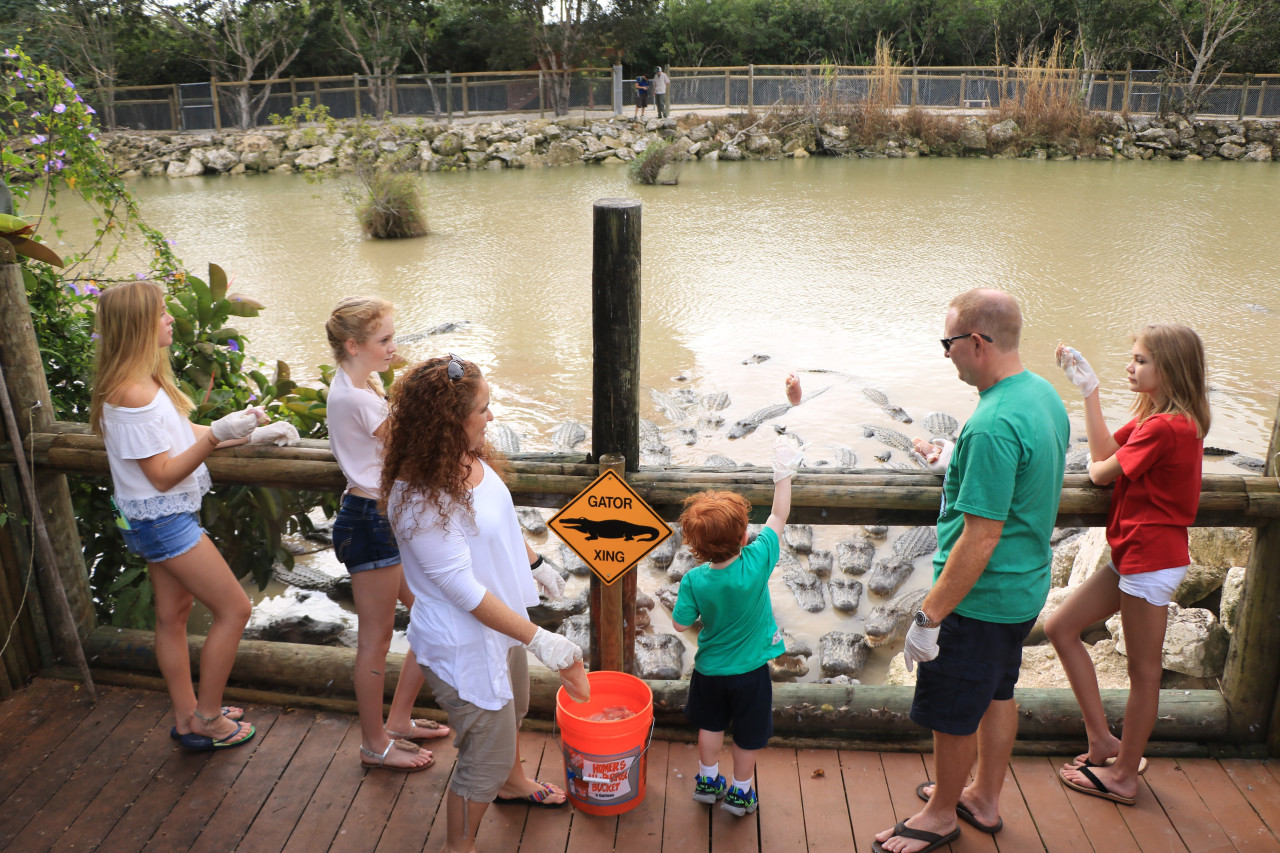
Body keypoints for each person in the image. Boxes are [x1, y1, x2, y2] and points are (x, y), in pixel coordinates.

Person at [876, 289, 1068, 853]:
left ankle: (940, 815)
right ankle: (982, 795)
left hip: (978, 598)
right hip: (1025, 585)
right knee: (996, 694)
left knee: (953, 710)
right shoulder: (1043, 396)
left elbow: (981, 537)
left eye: (949, 343)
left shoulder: (991, 424)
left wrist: (930, 614)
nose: (946, 355)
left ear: (977, 343)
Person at [382, 354, 587, 853]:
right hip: (464, 643)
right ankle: (461, 845)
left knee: (513, 710)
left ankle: (513, 785)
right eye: (483, 408)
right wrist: (541, 639)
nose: (491, 416)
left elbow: (498, 518)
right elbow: (462, 590)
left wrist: (536, 565)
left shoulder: (465, 457)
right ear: (450, 421)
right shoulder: (420, 500)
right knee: (482, 761)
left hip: (503, 625)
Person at [90, 280, 299, 752]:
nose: (169, 319)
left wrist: (247, 435)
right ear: (140, 325)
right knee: (235, 608)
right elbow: (163, 474)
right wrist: (213, 439)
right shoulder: (132, 396)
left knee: (173, 615)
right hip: (163, 521)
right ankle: (207, 717)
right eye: (162, 313)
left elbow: (189, 434)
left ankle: (188, 716)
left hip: (153, 519)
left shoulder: (146, 384)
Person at [1046, 326, 1209, 806]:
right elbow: (1103, 454)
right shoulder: (1160, 418)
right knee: (1060, 628)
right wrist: (1089, 392)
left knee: (1145, 672)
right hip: (1133, 556)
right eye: (1131, 358)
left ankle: (1122, 775)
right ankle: (1102, 743)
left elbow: (1098, 472)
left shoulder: (1166, 427)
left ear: (1170, 369)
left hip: (1149, 561)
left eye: (1139, 360)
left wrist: (1102, 463)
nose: (1129, 367)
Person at [325, 297, 450, 773]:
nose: (394, 348)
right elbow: (412, 443)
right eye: (385, 341)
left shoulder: (358, 382)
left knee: (432, 615)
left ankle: (397, 720)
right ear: (354, 345)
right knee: (375, 641)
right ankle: (373, 743)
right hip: (370, 520)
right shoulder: (356, 397)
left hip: (382, 516)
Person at [672, 373, 803, 818]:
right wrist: (782, 471)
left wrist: (703, 617)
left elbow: (679, 624)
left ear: (695, 545)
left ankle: (708, 782)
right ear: (743, 535)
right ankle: (742, 790)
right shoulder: (758, 559)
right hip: (751, 672)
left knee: (710, 726)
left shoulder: (693, 580)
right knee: (747, 735)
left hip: (710, 668)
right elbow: (780, 515)